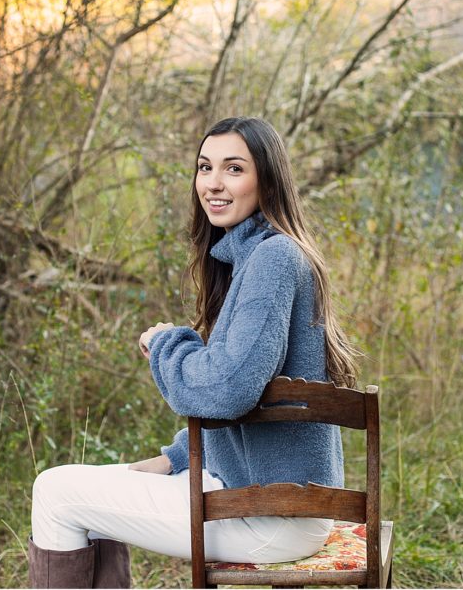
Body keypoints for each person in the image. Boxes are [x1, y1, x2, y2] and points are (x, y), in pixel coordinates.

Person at [28, 116, 360, 588]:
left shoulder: (274, 258)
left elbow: (228, 388)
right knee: (84, 490)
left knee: (56, 491)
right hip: (269, 499)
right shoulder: (257, 256)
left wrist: (169, 343)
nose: (214, 183)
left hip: (275, 514)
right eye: (205, 168)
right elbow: (260, 395)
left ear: (267, 180)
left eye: (234, 169)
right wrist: (177, 457)